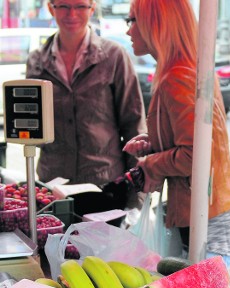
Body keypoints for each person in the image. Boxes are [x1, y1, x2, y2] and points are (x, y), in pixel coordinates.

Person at [104, 0, 230, 266]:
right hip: (204, 213)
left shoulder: (178, 77)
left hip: (209, 221)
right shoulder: (183, 68)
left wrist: (150, 165)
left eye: (132, 21)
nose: (128, 31)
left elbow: (197, 155)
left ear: (156, 25)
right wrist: (153, 143)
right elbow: (194, 138)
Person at [26, 0, 146, 209]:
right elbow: (31, 127)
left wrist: (136, 200)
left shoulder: (114, 57)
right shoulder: (37, 61)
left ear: (92, 8)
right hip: (53, 189)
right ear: (50, 8)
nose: (71, 13)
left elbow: (134, 126)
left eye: (80, 6)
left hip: (104, 187)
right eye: (63, 6)